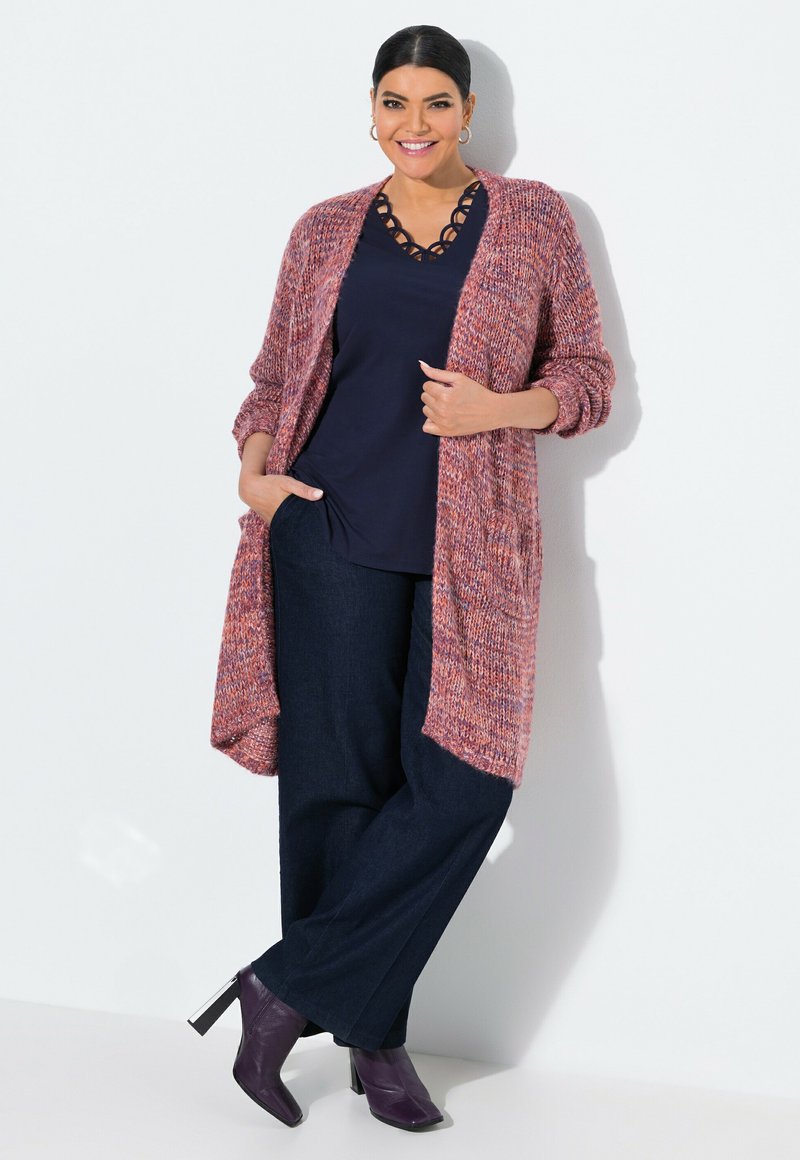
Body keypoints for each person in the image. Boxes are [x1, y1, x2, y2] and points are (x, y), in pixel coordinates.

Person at [189, 24, 615, 1132]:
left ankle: (280, 987)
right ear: (371, 110)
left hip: (470, 552)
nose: (413, 124)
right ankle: (374, 1042)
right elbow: (273, 377)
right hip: (328, 530)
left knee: (466, 786)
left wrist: (497, 407)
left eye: (434, 102)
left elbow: (586, 376)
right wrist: (255, 478)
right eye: (393, 102)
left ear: (467, 110)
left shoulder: (533, 219)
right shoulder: (324, 228)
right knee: (334, 795)